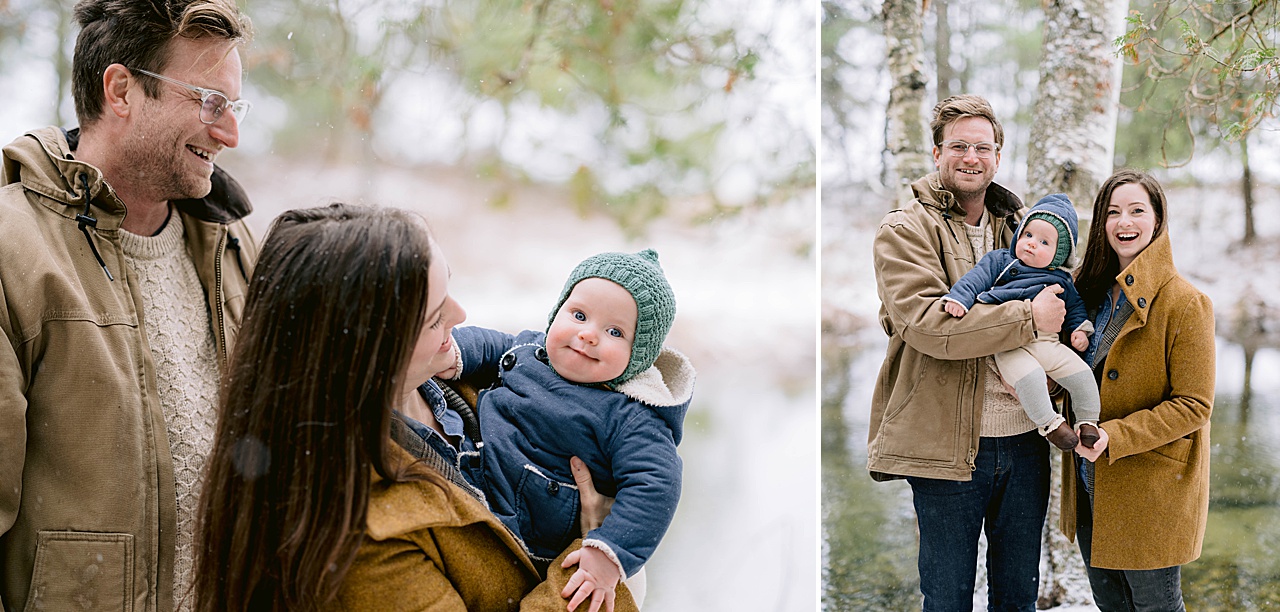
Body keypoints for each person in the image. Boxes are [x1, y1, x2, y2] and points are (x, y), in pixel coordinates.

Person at [193, 204, 639, 612]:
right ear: (366, 355)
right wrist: (597, 545)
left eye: (450, 287)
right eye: (434, 318)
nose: (461, 315)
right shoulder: (361, 542)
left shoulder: (472, 378)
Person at [0, 0, 256, 608]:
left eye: (235, 107)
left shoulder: (237, 243)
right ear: (121, 90)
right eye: (210, 102)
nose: (230, 134)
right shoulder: (11, 253)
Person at [868, 93, 1068, 611]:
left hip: (1027, 441)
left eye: (983, 147)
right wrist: (1028, 319)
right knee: (948, 598)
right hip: (946, 451)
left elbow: (1064, 300)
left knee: (1017, 596)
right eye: (958, 146)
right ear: (937, 154)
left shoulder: (1027, 228)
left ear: (998, 156)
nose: (971, 157)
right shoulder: (904, 229)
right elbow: (931, 326)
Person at [442, 249, 695, 608]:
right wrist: (454, 353)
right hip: (475, 474)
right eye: (578, 315)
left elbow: (656, 484)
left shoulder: (630, 415)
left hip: (529, 529)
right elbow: (489, 344)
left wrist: (610, 553)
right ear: (557, 311)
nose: (588, 335)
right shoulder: (529, 348)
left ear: (638, 354)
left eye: (614, 331)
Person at [1062, 169, 1215, 611]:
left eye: (1136, 211)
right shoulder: (1089, 293)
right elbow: (1076, 378)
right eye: (1112, 212)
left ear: (1157, 219)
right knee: (1111, 606)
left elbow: (1194, 405)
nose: (1123, 222)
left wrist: (1117, 436)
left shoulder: (1186, 302)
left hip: (1151, 492)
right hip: (1091, 485)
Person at [942, 193, 1101, 450]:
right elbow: (975, 279)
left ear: (1058, 255)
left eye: (1044, 242)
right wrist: (960, 299)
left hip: (1047, 342)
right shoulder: (1001, 261)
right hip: (1010, 341)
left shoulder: (1061, 279)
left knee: (1081, 374)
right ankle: (1050, 424)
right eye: (1027, 235)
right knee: (1031, 378)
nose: (1031, 244)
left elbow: (1074, 307)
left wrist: (1079, 330)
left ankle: (1088, 421)